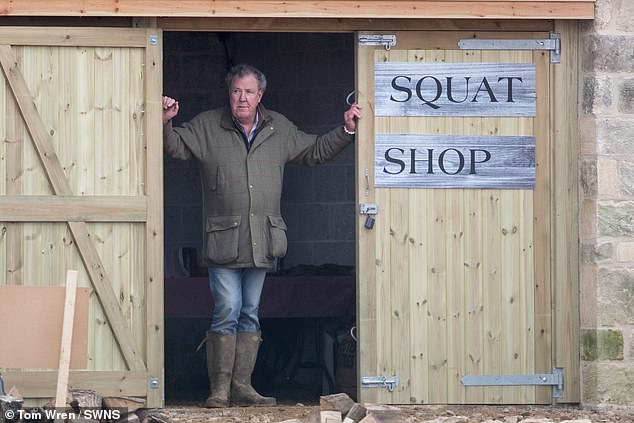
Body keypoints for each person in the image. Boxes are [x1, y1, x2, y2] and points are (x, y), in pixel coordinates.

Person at [163, 64, 362, 408]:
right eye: (236, 91)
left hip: (262, 241)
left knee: (251, 312)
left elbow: (314, 150)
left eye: (249, 92)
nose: (242, 98)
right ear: (229, 94)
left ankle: (242, 386)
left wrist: (345, 130)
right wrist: (164, 121)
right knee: (227, 309)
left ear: (260, 96)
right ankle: (220, 390)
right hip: (224, 241)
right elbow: (175, 147)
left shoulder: (278, 128)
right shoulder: (208, 125)